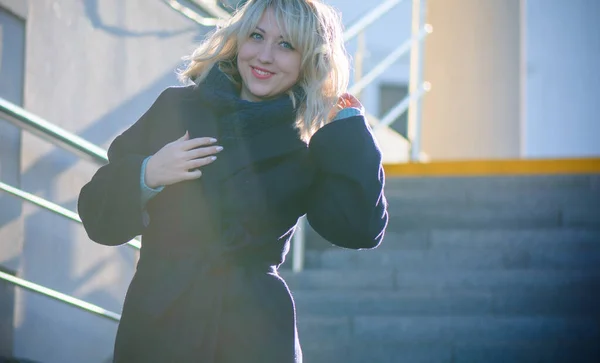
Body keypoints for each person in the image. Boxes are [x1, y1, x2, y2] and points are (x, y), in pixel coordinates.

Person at [77, 0, 388, 361]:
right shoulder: (176, 109)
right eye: (257, 36)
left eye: (286, 45)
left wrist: (349, 126)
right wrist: (148, 173)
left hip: (254, 336)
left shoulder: (303, 150)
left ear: (309, 61)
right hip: (160, 325)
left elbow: (359, 229)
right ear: (239, 39)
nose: (265, 55)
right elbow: (97, 216)